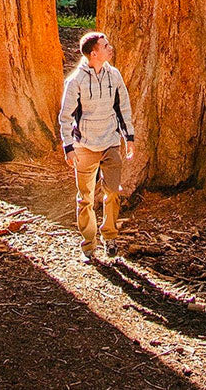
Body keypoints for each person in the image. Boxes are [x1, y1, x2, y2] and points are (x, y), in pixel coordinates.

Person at [58, 31, 135, 260]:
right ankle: (89, 245)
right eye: (106, 45)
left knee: (113, 192)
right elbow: (65, 116)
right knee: (86, 198)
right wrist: (68, 147)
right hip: (85, 146)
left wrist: (128, 137)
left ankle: (109, 237)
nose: (111, 48)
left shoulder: (115, 75)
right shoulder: (76, 81)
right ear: (94, 53)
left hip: (110, 142)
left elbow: (123, 107)